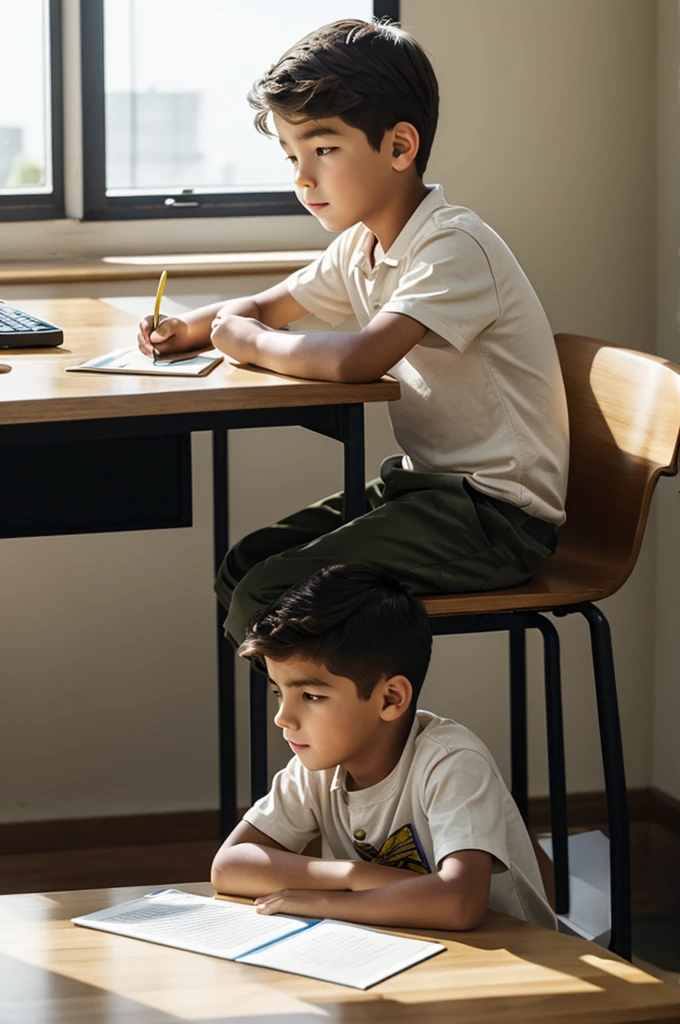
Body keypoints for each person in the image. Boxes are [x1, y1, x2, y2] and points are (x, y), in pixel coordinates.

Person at [137, 19, 569, 649]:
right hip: (425, 490)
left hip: (496, 520)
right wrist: (189, 330)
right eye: (291, 156)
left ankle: (332, 738)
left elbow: (360, 360)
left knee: (267, 592)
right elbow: (268, 304)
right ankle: (320, 735)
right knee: (243, 569)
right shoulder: (362, 245)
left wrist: (248, 342)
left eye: (324, 150)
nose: (301, 178)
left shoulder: (453, 247)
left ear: (400, 147)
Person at [210, 564, 556, 932]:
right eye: (280, 692)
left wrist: (327, 900)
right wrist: (352, 875)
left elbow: (459, 903)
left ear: (391, 698)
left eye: (311, 695)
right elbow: (229, 867)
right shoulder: (316, 769)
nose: (283, 717)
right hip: (409, 947)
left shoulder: (451, 761)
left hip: (510, 962)